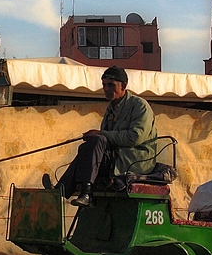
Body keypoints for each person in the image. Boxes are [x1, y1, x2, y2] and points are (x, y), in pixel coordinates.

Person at [45, 66, 158, 207]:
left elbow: (134, 137)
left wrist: (100, 134)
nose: (106, 89)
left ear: (123, 86)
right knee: (87, 148)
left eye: (111, 85)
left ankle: (79, 191)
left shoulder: (139, 106)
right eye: (104, 85)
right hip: (116, 157)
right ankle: (64, 192)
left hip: (136, 159)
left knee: (98, 139)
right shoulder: (111, 109)